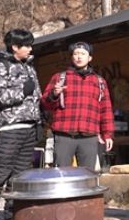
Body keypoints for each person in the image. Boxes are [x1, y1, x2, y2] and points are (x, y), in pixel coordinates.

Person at [0, 29, 42, 220]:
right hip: (9, 128)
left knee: (20, 176)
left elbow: (36, 97)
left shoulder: (29, 67)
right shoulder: (0, 67)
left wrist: (40, 118)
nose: (30, 49)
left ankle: (14, 216)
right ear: (15, 47)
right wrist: (21, 91)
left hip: (29, 127)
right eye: (27, 45)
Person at [41, 42, 115, 170]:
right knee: (61, 174)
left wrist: (107, 134)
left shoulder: (99, 81)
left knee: (87, 175)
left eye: (83, 54)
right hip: (64, 135)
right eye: (76, 54)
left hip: (89, 136)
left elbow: (106, 110)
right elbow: (45, 104)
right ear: (72, 57)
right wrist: (54, 94)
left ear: (90, 58)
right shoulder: (60, 78)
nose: (79, 57)